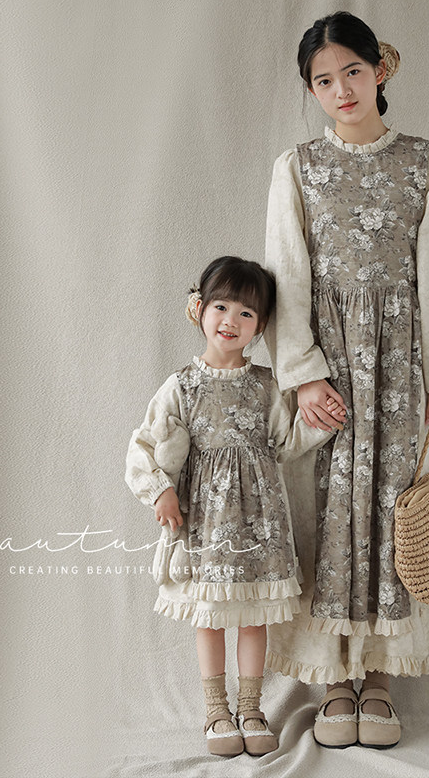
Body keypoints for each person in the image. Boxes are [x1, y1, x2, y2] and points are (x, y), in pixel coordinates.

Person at [262, 11, 429, 750]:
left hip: (399, 369)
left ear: (379, 70)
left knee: (393, 509)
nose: (341, 90)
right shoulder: (297, 168)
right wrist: (302, 377)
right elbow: (286, 275)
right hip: (329, 371)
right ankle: (333, 678)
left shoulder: (424, 161)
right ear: (312, 91)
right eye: (323, 81)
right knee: (329, 511)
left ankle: (381, 677)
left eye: (352, 72)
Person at [125, 256, 338, 757]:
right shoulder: (182, 386)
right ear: (198, 309)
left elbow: (286, 442)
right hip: (205, 523)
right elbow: (144, 445)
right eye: (221, 307)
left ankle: (251, 707)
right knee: (210, 616)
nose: (231, 320)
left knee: (253, 617)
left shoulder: (266, 385)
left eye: (246, 313)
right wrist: (160, 490)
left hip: (260, 524)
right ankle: (216, 710)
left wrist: (321, 420)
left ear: (260, 327)